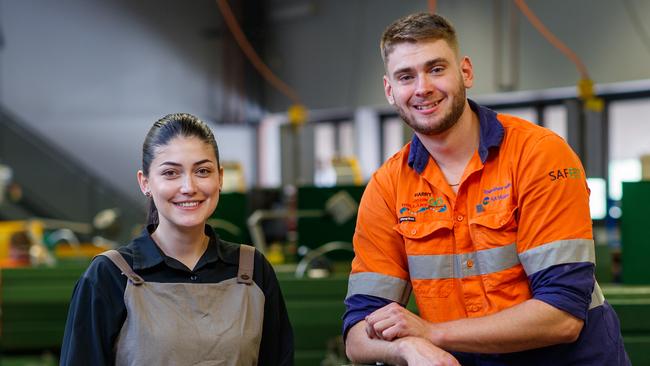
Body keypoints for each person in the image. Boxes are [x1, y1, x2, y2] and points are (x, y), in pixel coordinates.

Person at [343, 12, 629, 366]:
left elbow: (563, 315)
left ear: (465, 72)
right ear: (390, 90)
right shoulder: (387, 188)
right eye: (406, 76)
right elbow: (358, 334)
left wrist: (432, 334)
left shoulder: (539, 155)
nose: (422, 88)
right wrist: (404, 347)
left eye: (436, 68)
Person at [60, 113, 294, 365]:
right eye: (171, 173)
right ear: (145, 182)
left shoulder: (253, 270)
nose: (188, 186)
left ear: (220, 178)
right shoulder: (108, 277)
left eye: (202, 171)